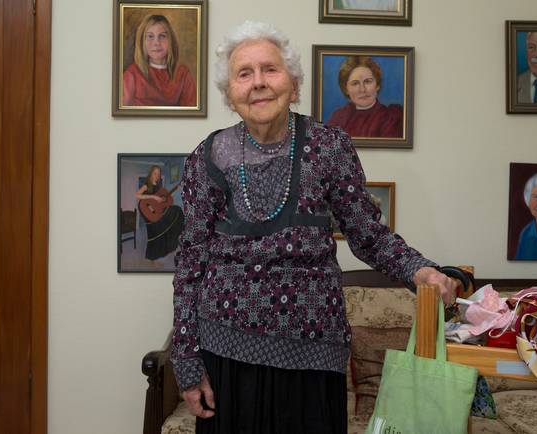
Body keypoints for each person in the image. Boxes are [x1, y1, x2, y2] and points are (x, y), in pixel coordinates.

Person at [171, 21, 456, 434]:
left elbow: (366, 233)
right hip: (226, 353)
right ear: (230, 94)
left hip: (313, 350)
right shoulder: (208, 157)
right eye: (244, 74)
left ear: (294, 83)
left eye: (269, 69)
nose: (258, 83)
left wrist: (421, 270)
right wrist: (186, 358)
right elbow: (191, 262)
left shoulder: (330, 146)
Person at [123, 14, 196, 106]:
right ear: (142, 41)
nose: (156, 43)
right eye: (150, 36)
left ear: (171, 41)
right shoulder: (131, 75)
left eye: (162, 36)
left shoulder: (183, 74)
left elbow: (191, 112)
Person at [326, 55, 403, 138]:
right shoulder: (339, 117)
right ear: (346, 89)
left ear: (377, 85)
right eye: (355, 83)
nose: (362, 89)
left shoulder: (390, 118)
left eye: (368, 82)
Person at [135, 165, 184, 261]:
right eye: (155, 173)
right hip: (147, 211)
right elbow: (137, 195)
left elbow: (163, 200)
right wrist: (153, 197)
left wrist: (162, 200)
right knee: (156, 226)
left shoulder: (159, 187)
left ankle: (170, 244)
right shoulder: (146, 185)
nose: (157, 175)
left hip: (155, 212)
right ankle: (153, 253)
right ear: (151, 174)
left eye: (159, 174)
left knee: (176, 210)